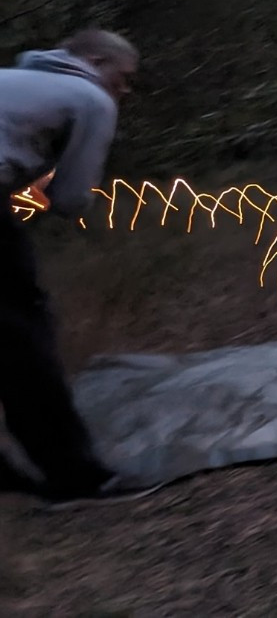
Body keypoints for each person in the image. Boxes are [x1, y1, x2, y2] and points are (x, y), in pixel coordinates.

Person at [0, 28, 139, 500]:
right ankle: (76, 477)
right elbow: (72, 198)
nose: (124, 90)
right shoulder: (89, 98)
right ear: (96, 62)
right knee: (20, 340)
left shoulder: (14, 81)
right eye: (122, 78)